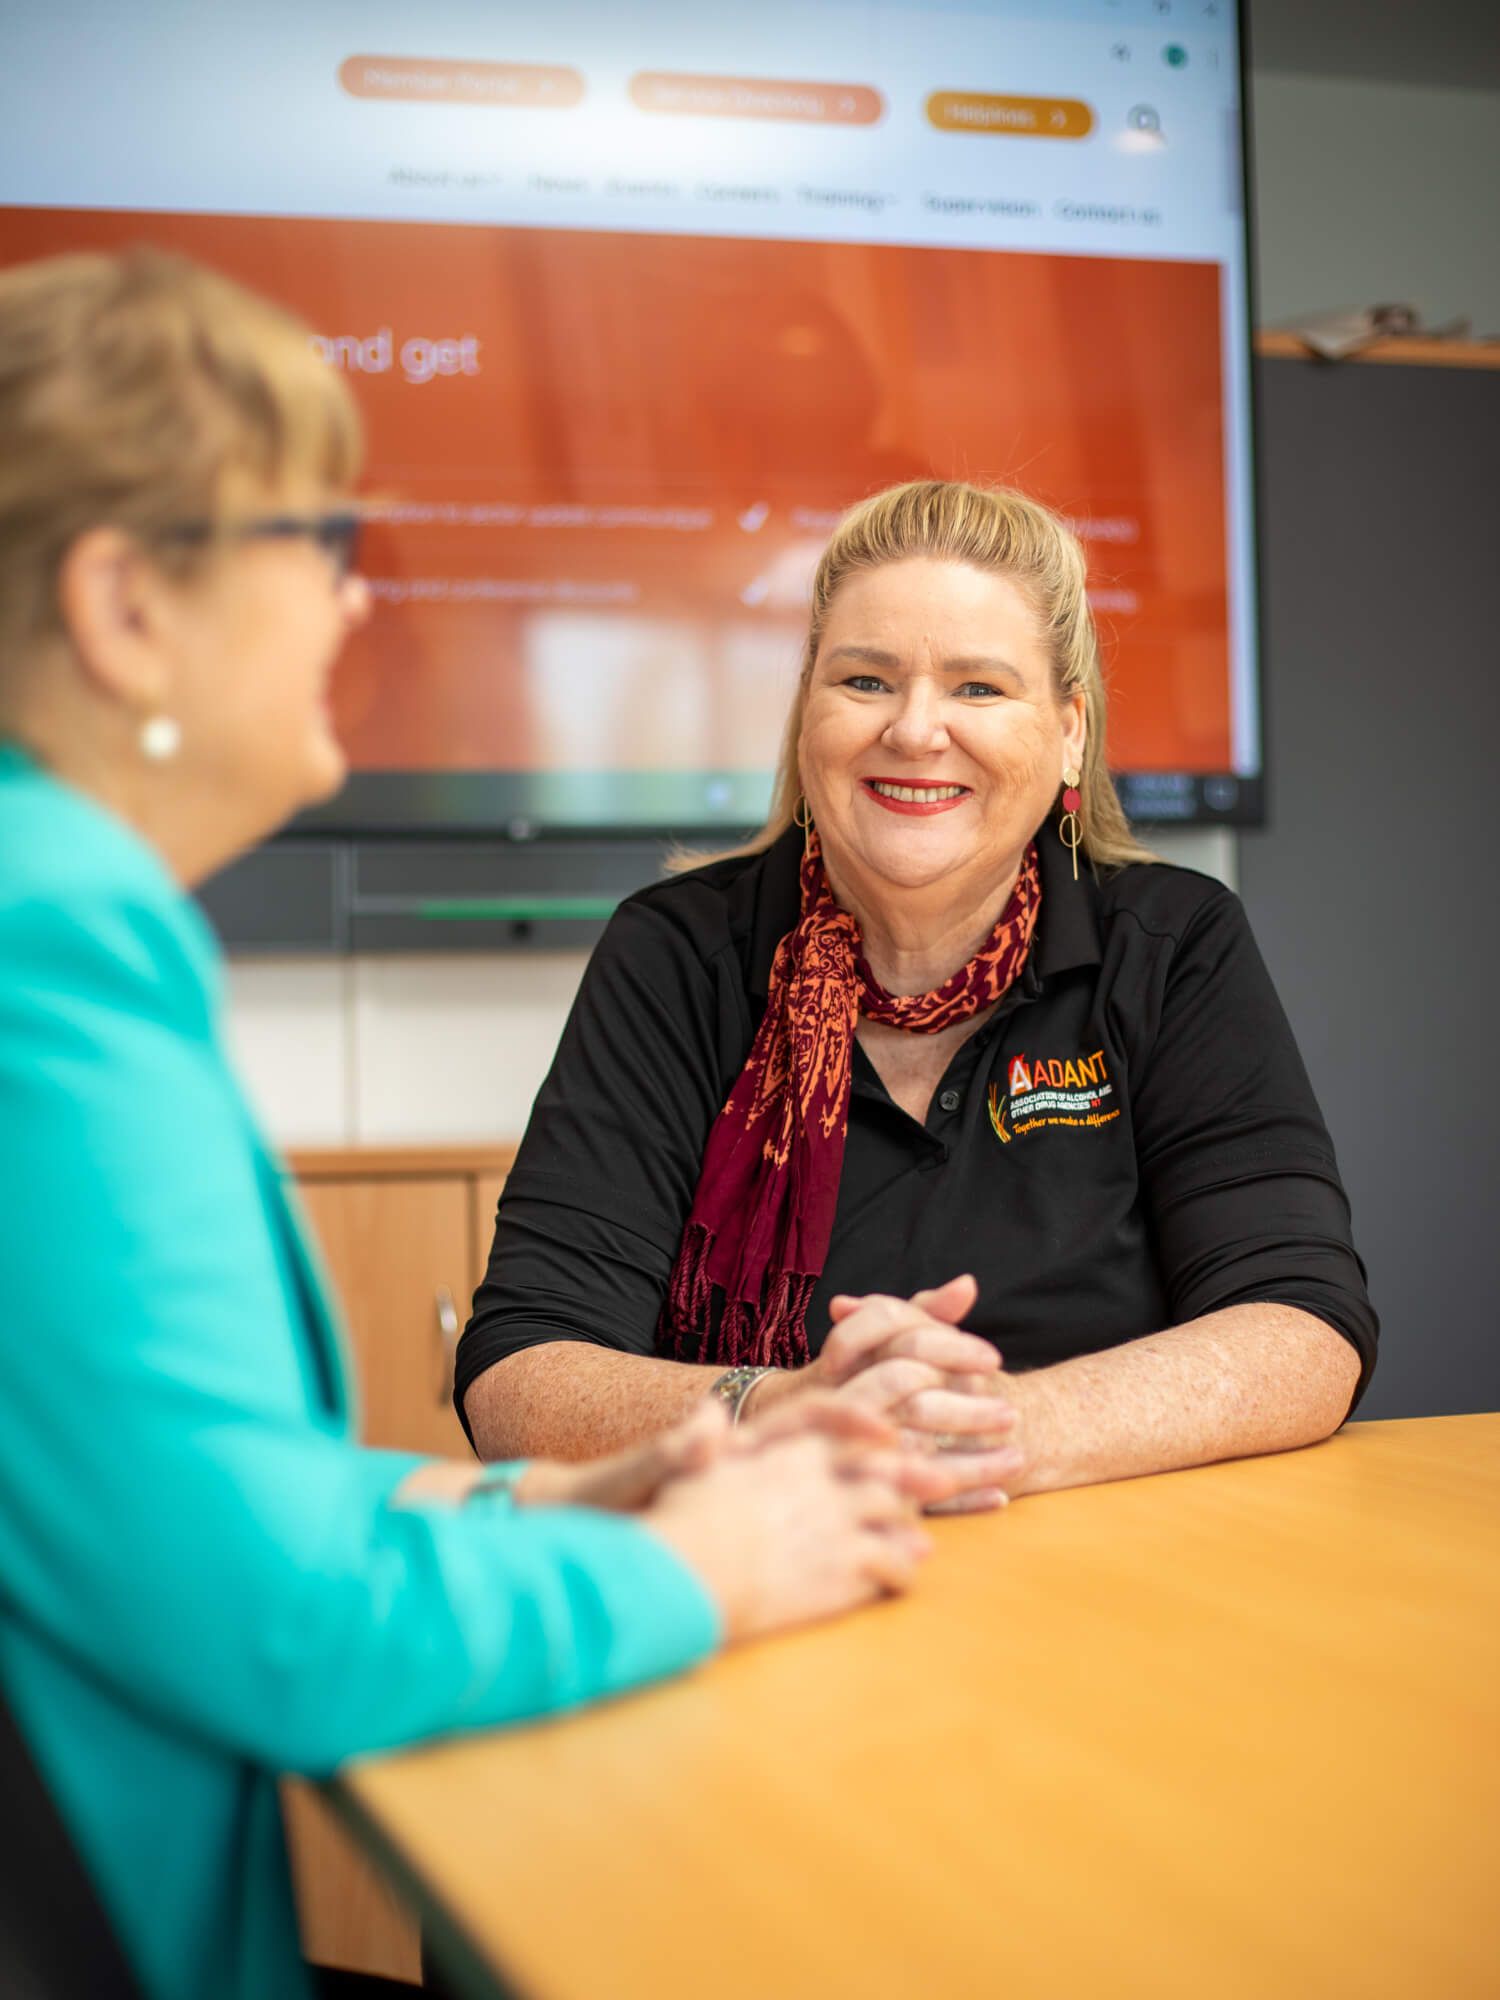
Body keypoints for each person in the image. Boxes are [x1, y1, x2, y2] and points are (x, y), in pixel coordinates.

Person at [0, 250, 954, 2000]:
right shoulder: (41, 950)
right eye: (324, 549)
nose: (363, 610)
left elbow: (166, 1498)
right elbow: (279, 1630)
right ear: (126, 604)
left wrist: (558, 1505)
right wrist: (704, 1570)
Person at [459, 479, 1377, 1504]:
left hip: (1116, 1581)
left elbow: (1303, 1324)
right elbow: (520, 1371)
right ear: (808, 708)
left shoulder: (1171, 945)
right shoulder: (676, 955)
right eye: (865, 679)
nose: (915, 729)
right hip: (770, 1560)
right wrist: (784, 1412)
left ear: (1070, 732)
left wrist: (997, 1429)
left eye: (979, 688)